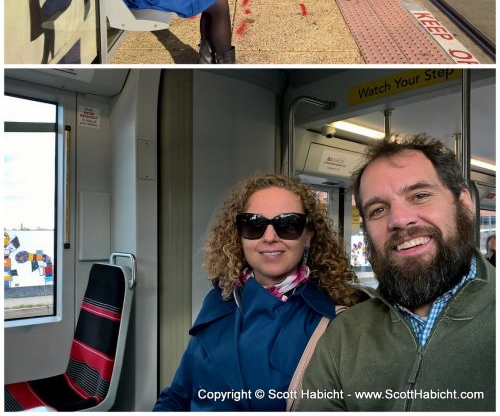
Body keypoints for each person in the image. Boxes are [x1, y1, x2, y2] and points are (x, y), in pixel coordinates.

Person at [299, 134, 495, 412]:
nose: (400, 220)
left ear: (464, 203)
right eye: (378, 210)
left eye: (420, 195)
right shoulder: (344, 337)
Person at [153, 173, 360, 411]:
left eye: (288, 225)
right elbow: (178, 396)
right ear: (238, 236)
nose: (270, 237)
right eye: (254, 225)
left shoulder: (335, 322)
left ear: (309, 235)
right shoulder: (218, 301)